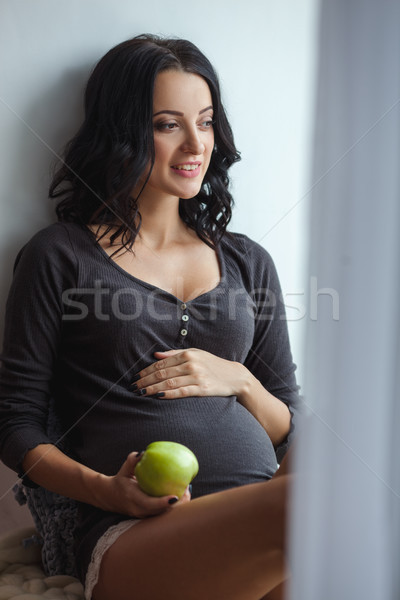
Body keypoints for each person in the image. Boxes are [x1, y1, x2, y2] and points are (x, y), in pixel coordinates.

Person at [0, 34, 302, 600]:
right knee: (310, 516)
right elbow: (14, 423)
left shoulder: (245, 260)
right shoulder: (60, 255)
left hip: (259, 515)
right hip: (131, 533)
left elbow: (292, 424)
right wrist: (108, 492)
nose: (196, 143)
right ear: (124, 132)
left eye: (206, 122)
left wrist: (239, 380)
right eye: (168, 124)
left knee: (356, 463)